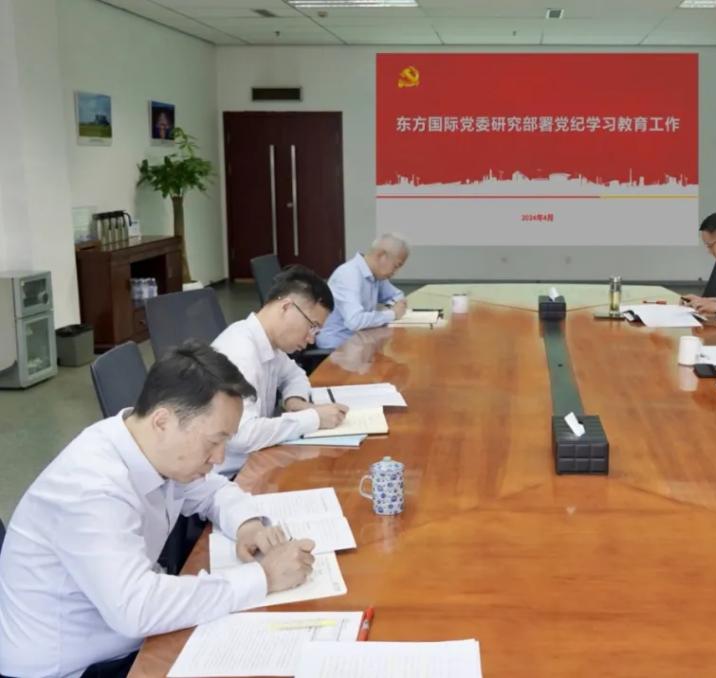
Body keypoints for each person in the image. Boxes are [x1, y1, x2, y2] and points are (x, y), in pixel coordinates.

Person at [0, 342, 316, 678]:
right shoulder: (92, 488)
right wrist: (264, 576)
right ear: (163, 421)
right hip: (74, 668)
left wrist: (247, 525)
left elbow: (213, 490)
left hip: (120, 639)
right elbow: (137, 608)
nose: (220, 458)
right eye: (214, 442)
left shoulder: (147, 443)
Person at [212, 265, 348, 476]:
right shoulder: (240, 352)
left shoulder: (269, 343)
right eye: (312, 326)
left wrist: (295, 401)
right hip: (231, 476)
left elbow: (294, 374)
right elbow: (241, 436)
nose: (311, 339)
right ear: (286, 307)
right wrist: (313, 418)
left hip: (258, 460)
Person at [316, 233, 410, 350]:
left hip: (360, 341)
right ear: (381, 256)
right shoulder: (349, 275)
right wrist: (392, 313)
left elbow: (398, 295)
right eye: (396, 266)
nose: (396, 272)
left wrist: (394, 306)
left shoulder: (376, 275)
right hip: (337, 347)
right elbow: (355, 321)